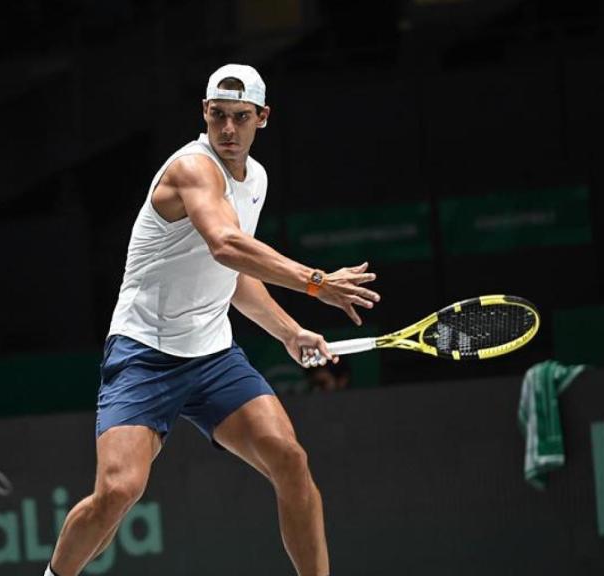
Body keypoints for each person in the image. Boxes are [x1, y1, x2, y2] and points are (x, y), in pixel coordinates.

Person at [44, 64, 380, 576]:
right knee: (117, 491)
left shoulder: (256, 179)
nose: (227, 129)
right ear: (204, 113)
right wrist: (317, 283)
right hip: (144, 353)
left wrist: (289, 331)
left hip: (212, 355)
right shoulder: (192, 169)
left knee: (289, 459)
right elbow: (226, 246)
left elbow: (233, 275)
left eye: (240, 118)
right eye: (217, 115)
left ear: (262, 118)